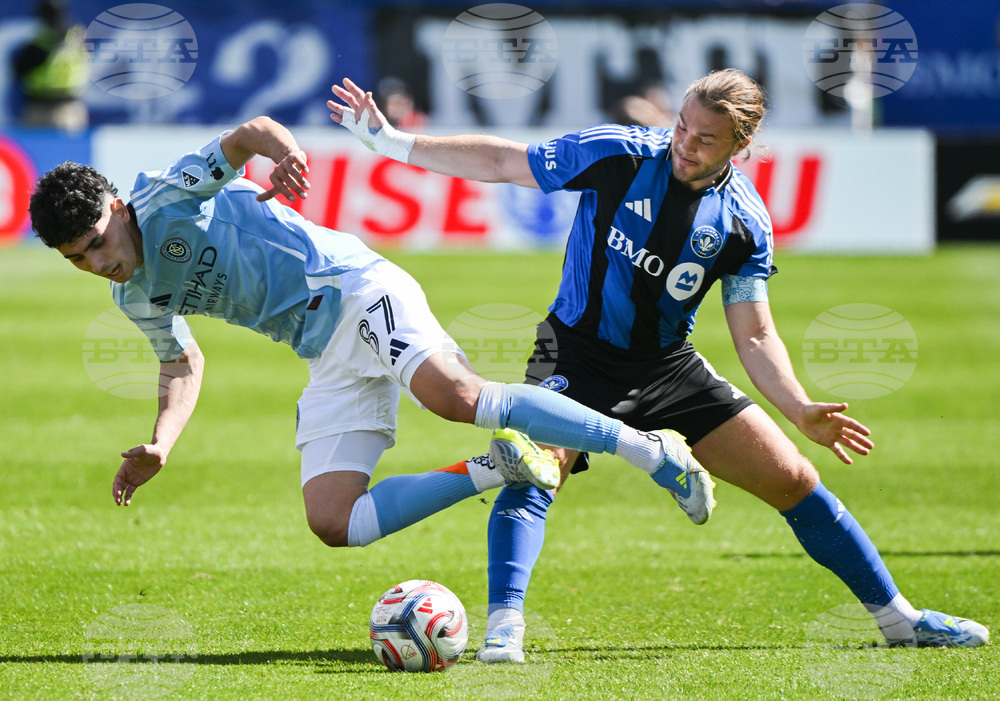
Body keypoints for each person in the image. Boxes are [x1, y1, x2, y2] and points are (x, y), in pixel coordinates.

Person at [327, 71, 990, 655]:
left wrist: (798, 407)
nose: (685, 143)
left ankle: (899, 618)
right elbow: (505, 162)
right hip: (575, 353)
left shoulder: (743, 223)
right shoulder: (617, 153)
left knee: (792, 477)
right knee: (532, 470)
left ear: (741, 147)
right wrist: (390, 142)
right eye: (682, 127)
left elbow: (755, 333)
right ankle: (505, 626)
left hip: (668, 367)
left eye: (705, 139)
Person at [29, 116, 716, 554]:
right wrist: (162, 442)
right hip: (321, 346)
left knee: (454, 395)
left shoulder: (166, 195)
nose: (98, 262)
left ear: (117, 206)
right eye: (78, 259)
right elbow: (181, 362)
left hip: (354, 288)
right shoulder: (132, 293)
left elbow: (246, 135)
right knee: (334, 520)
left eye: (97, 241)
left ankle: (649, 449)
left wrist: (285, 153)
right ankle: (497, 465)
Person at [11, 0, 89, 131]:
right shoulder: (40, 44)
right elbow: (21, 69)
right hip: (41, 106)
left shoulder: (68, 39)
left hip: (64, 109)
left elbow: (20, 70)